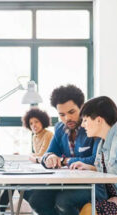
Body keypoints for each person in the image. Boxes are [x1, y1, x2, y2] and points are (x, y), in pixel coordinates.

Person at [23, 84, 100, 215]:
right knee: (36, 199)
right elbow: (48, 153)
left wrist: (64, 161)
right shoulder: (59, 128)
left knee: (63, 200)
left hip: (92, 184)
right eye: (62, 114)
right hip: (69, 181)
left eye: (71, 112)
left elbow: (95, 160)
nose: (67, 118)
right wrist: (49, 158)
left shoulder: (92, 127)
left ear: (82, 107)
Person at [0, 108, 53, 212]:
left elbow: (41, 155)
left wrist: (32, 156)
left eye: (36, 121)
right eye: (31, 123)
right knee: (13, 181)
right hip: (40, 170)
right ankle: (0, 209)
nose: (34, 125)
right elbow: (36, 155)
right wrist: (30, 156)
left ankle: (0, 209)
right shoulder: (35, 137)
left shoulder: (48, 134)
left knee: (13, 181)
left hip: (47, 173)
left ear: (43, 121)